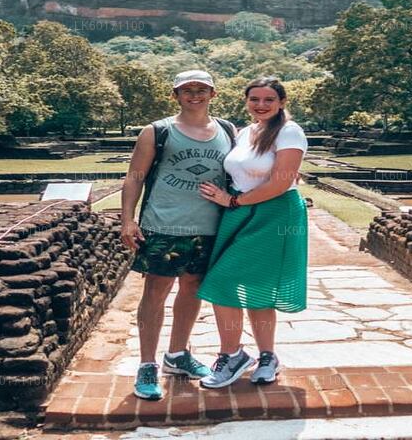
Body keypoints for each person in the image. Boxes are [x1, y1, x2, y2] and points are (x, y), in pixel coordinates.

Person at [120, 70, 236, 401]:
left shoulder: (228, 131)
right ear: (176, 95)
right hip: (164, 224)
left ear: (213, 93)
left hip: (210, 225)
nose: (195, 95)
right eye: (187, 90)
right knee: (156, 290)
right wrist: (127, 220)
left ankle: (177, 355)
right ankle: (146, 364)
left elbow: (245, 168)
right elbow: (135, 177)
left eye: (201, 89)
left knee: (194, 288)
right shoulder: (157, 131)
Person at [195, 76, 308, 388]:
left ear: (282, 102)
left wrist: (232, 200)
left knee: (226, 281)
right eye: (254, 99)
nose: (261, 105)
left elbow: (282, 180)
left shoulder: (289, 131)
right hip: (241, 212)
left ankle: (234, 355)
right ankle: (264, 355)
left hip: (274, 212)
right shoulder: (245, 132)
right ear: (246, 101)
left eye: (268, 100)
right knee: (250, 287)